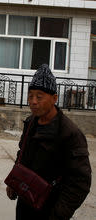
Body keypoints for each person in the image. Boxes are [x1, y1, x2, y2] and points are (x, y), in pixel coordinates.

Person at [6, 64, 91, 219]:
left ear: (54, 98)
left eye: (39, 96)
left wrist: (59, 213)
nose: (33, 101)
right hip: (26, 201)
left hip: (50, 208)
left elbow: (80, 182)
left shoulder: (70, 134)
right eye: (30, 96)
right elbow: (22, 153)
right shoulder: (31, 122)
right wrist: (14, 181)